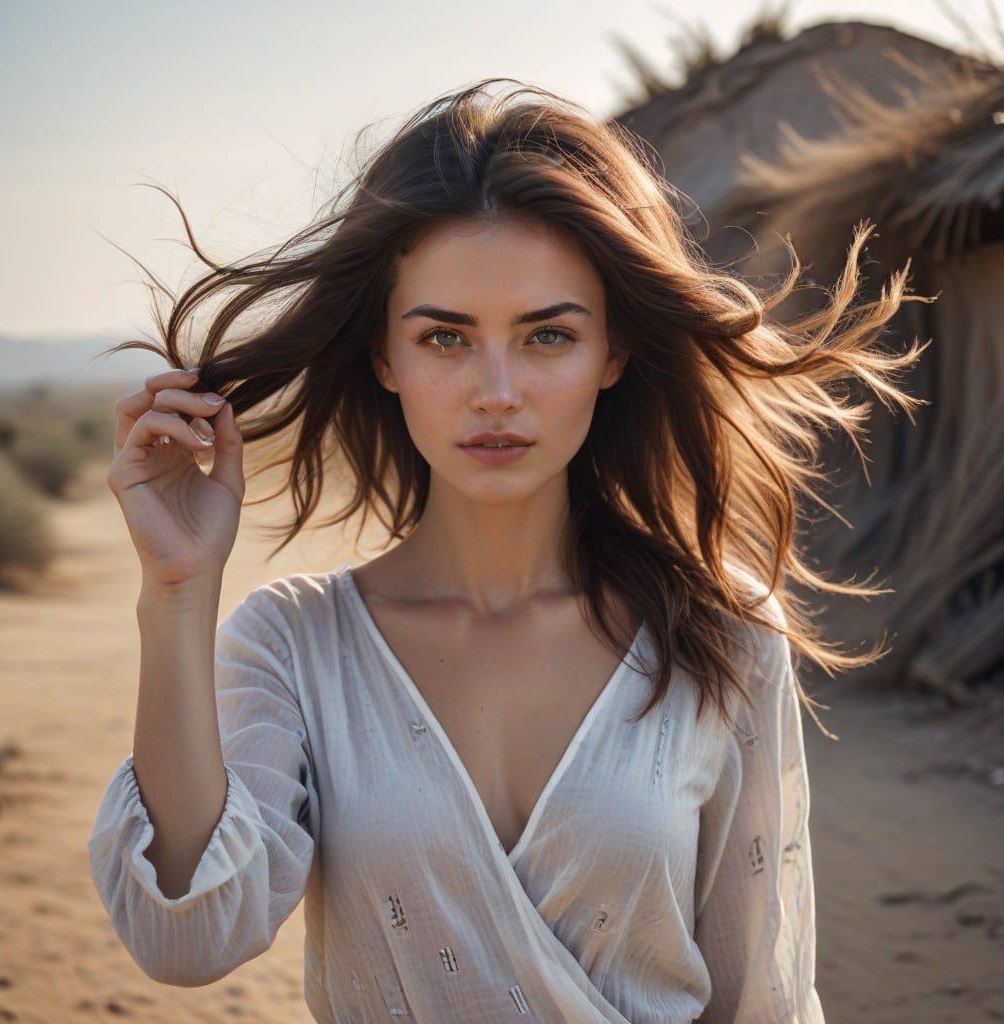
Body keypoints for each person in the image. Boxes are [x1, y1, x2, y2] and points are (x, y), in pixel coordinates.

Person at [87, 78, 931, 1022]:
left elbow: (764, 995)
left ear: (613, 352)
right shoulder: (294, 647)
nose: (496, 391)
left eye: (547, 336)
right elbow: (188, 939)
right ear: (384, 357)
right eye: (446, 337)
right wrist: (175, 593)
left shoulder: (722, 629)